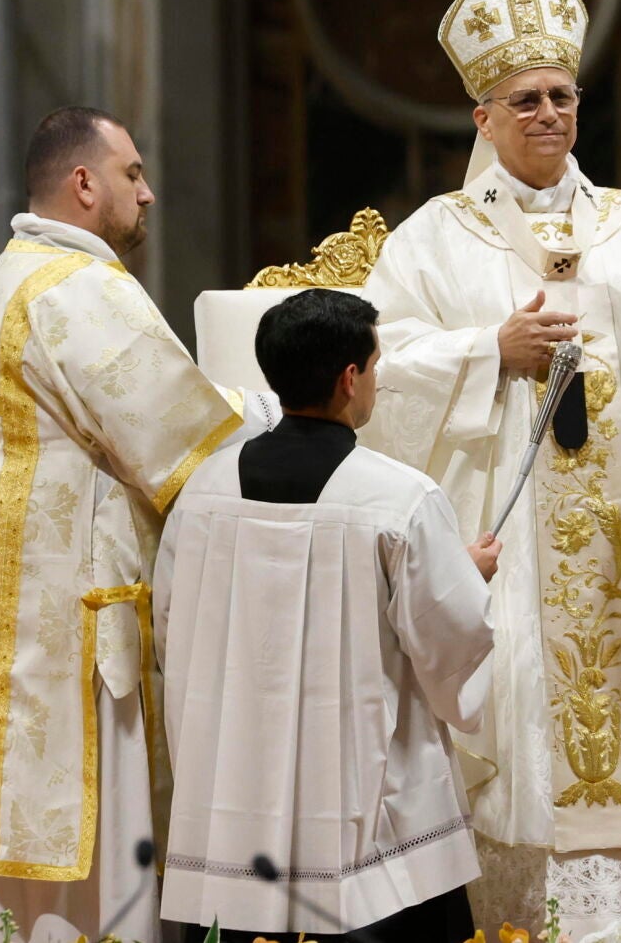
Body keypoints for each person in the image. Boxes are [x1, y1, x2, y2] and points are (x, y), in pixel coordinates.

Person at [360, 0, 621, 938]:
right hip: (515, 550)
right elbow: (375, 372)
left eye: (562, 95)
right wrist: (487, 349)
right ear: (482, 115)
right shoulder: (432, 239)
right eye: (525, 98)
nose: (548, 114)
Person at [0, 106, 275, 942]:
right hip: (66, 630)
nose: (147, 194)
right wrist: (284, 412)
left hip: (25, 613)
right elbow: (173, 427)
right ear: (83, 184)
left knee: (16, 888)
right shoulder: (78, 285)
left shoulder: (19, 270)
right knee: (89, 884)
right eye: (132, 174)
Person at [156, 289, 501, 942]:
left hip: (238, 792)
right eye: (375, 365)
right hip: (363, 825)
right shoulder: (400, 497)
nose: (375, 379)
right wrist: (468, 576)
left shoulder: (203, 489)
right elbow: (451, 638)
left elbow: (175, 629)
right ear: (350, 379)